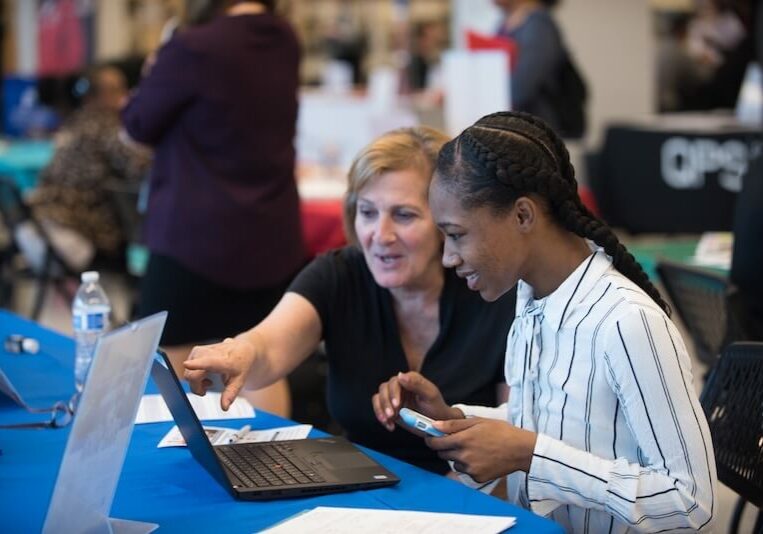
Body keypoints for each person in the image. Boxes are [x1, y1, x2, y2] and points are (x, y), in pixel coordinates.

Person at [373, 112, 717, 532]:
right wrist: (453, 420)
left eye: (457, 235)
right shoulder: (529, 298)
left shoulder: (627, 323)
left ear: (522, 216)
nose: (448, 257)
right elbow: (548, 424)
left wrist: (533, 456)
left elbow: (691, 502)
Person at [183, 127, 517, 473]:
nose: (380, 235)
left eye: (404, 215)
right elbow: (268, 345)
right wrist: (237, 352)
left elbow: (515, 446)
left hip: (467, 495)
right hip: (358, 490)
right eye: (368, 212)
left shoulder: (493, 292)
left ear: (445, 223)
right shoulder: (339, 274)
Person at [121, 0, 306, 414]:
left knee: (165, 362)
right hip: (270, 234)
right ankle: (276, 468)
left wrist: (154, 69)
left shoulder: (192, 47)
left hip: (195, 236)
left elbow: (136, 126)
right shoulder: (286, 39)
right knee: (259, 366)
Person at [30, 65, 151, 265]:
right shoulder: (108, 125)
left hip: (41, 221)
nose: (127, 95)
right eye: (120, 89)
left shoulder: (75, 121)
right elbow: (138, 167)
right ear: (106, 94)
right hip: (75, 229)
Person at [494, 0, 580, 135]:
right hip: (512, 125)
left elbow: (521, 87)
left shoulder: (538, 24)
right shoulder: (504, 24)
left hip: (531, 130)